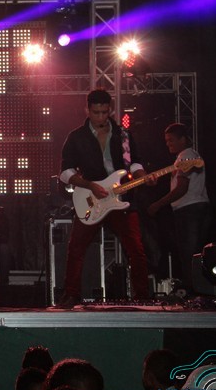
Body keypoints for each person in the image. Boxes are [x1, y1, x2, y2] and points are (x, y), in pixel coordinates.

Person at [57, 89, 152, 307]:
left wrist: (142, 175)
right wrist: (90, 185)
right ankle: (71, 293)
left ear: (110, 110)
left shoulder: (123, 135)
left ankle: (142, 296)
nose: (100, 117)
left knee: (136, 249)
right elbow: (65, 172)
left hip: (121, 197)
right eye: (96, 112)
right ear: (87, 110)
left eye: (104, 112)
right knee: (76, 248)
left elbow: (134, 162)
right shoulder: (76, 137)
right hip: (91, 197)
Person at [146, 124, 211, 289]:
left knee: (189, 255)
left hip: (189, 209)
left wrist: (158, 204)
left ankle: (194, 292)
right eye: (166, 141)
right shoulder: (188, 156)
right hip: (195, 208)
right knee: (194, 253)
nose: (168, 144)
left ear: (182, 139)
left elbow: (182, 188)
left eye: (171, 140)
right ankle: (198, 290)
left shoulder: (186, 156)